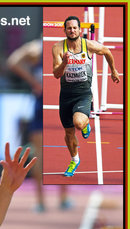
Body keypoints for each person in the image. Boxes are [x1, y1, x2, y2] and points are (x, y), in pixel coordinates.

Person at [7, 38, 72, 212]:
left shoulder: (36, 49)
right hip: (58, 104)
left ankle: (41, 202)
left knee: (40, 154)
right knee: (63, 152)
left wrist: (34, 82)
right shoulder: (64, 47)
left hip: (43, 104)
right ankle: (63, 198)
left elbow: (13, 61)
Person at [52, 16, 120, 177]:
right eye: (69, 28)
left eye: (75, 28)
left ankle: (84, 123)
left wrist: (113, 71)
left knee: (78, 123)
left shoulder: (88, 45)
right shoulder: (57, 48)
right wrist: (64, 63)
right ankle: (74, 160)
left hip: (83, 94)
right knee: (69, 134)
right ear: (65, 30)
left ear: (79, 29)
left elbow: (107, 51)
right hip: (66, 96)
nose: (72, 30)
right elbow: (56, 74)